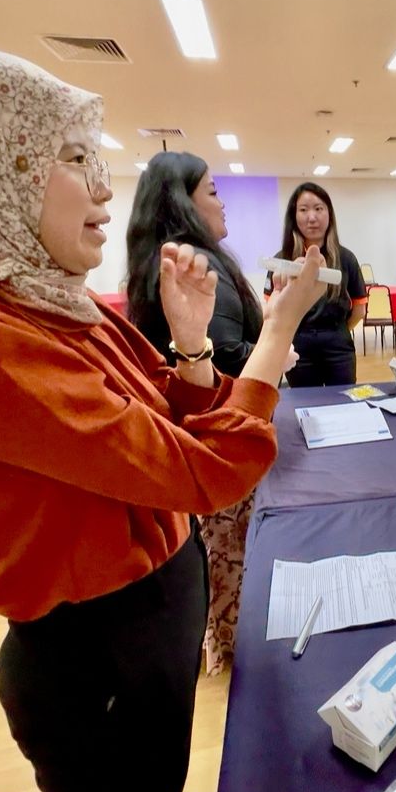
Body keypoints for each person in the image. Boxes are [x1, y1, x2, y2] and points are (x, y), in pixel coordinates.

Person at [0, 45, 325, 792]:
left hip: (146, 621)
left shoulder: (44, 303)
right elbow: (204, 469)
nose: (104, 185)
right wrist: (277, 331)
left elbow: (166, 415)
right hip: (97, 650)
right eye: (71, 157)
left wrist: (194, 346)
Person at [125, 150, 292, 676]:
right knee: (232, 558)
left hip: (190, 446)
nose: (223, 204)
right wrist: (278, 334)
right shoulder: (196, 266)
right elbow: (226, 373)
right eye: (214, 191)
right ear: (184, 201)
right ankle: (240, 659)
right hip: (214, 447)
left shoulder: (164, 261)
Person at [266, 182, 367, 387]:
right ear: (294, 216)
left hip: (338, 347)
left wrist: (336, 332)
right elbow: (269, 308)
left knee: (343, 404)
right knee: (305, 405)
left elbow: (359, 309)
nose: (312, 217)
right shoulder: (282, 260)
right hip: (297, 346)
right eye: (303, 210)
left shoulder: (346, 258)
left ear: (329, 214)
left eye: (319, 209)